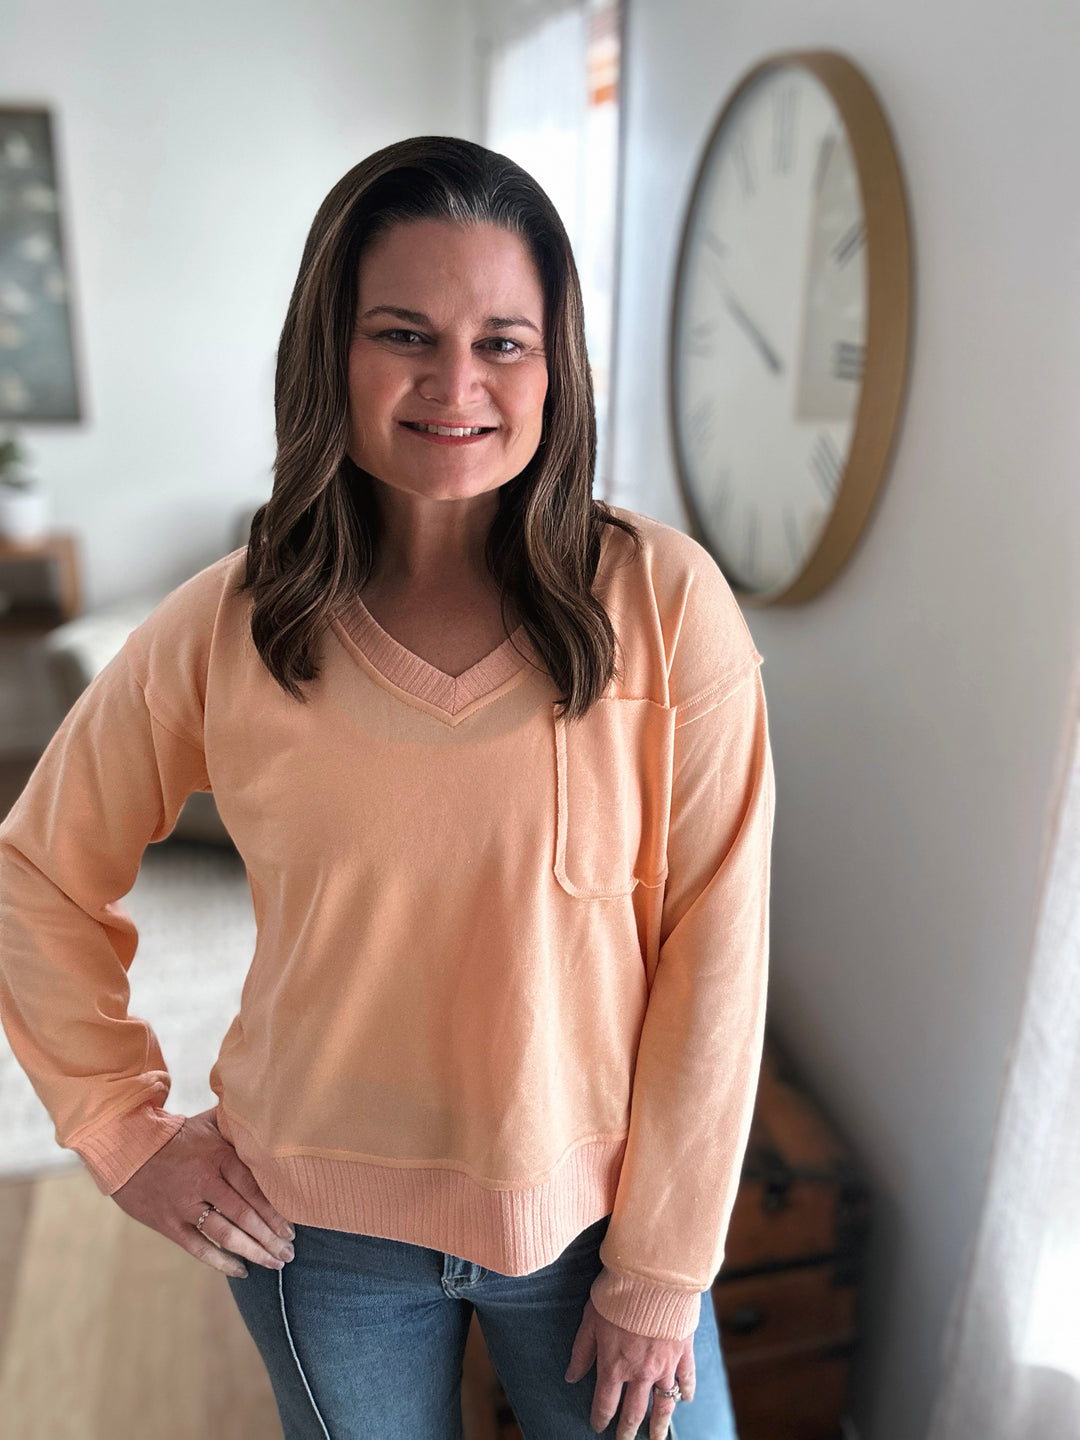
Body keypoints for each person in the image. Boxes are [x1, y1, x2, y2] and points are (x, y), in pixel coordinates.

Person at [0, 136, 775, 1440]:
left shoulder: (664, 604)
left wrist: (659, 1270)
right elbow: (34, 873)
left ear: (555, 365)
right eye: (404, 333)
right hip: (319, 1242)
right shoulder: (225, 627)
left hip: (600, 1232)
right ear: (334, 355)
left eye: (505, 342)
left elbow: (720, 945)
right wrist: (125, 1135)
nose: (455, 382)